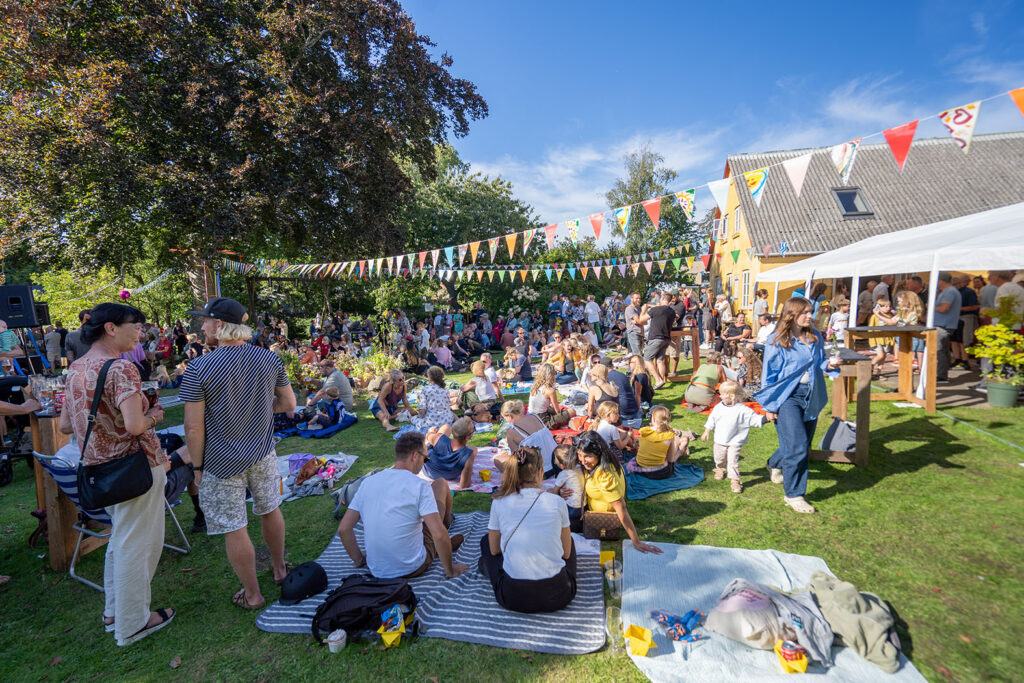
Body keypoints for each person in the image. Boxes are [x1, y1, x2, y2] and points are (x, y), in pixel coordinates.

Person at [58, 303, 173, 647]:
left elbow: (65, 424)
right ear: (111, 328)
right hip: (134, 467)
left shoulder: (77, 368)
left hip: (100, 469)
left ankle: (114, 612)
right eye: (135, 326)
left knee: (121, 540)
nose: (140, 333)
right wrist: (155, 415)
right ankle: (132, 623)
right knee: (137, 545)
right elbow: (136, 425)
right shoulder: (121, 369)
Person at [180, 297, 296, 610]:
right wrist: (258, 410)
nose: (201, 326)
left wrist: (198, 467)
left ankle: (253, 595)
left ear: (219, 325)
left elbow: (193, 428)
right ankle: (280, 569)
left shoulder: (199, 367)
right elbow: (288, 404)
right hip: (262, 451)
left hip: (220, 460)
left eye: (204, 321)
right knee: (270, 509)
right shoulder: (268, 359)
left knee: (235, 526)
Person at [337, 432, 468, 580]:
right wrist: (450, 570)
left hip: (377, 569)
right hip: (412, 567)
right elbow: (438, 533)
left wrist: (359, 559)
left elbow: (344, 529)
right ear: (414, 456)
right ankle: (445, 531)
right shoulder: (419, 485)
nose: (425, 462)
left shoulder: (368, 482)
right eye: (425, 458)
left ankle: (443, 538)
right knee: (441, 484)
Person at [756, 297, 840, 514]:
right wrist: (770, 405)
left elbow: (819, 361)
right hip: (787, 396)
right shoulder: (778, 340)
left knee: (799, 444)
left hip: (812, 395)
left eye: (810, 312)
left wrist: (828, 364)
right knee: (798, 445)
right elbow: (770, 375)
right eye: (805, 312)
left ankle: (774, 463)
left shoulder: (815, 336)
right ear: (791, 314)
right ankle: (794, 495)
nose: (809, 316)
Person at [479, 446, 576, 613]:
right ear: (540, 472)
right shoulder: (557, 502)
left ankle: (499, 568)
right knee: (570, 541)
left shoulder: (499, 502)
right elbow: (566, 554)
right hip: (559, 594)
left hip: (513, 597)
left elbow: (494, 550)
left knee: (486, 543)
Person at [575, 431, 662, 554]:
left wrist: (636, 541)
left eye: (588, 456)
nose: (583, 461)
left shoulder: (605, 474)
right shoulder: (607, 460)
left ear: (598, 453)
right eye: (580, 455)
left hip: (601, 519)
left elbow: (621, 508)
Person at [702, 380, 768, 493]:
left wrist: (766, 418)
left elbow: (754, 419)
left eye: (722, 393)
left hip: (735, 441)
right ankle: (719, 469)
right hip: (720, 439)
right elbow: (711, 419)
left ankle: (735, 480)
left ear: (731, 396)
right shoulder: (718, 407)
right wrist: (707, 430)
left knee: (733, 461)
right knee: (719, 457)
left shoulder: (743, 410)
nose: (720, 395)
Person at [626, 404, 691, 479]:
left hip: (640, 469)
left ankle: (681, 447)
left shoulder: (644, 431)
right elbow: (670, 459)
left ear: (653, 419)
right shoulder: (669, 436)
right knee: (672, 451)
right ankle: (681, 450)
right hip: (659, 473)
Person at [500, 399, 558, 476]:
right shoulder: (534, 416)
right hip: (557, 464)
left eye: (504, 418)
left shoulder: (512, 430)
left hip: (537, 473)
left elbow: (515, 458)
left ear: (509, 416)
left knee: (498, 459)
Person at [634, 291, 675, 390]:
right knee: (660, 361)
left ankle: (658, 380)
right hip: (666, 339)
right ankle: (661, 384)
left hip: (655, 338)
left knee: (647, 359)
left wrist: (643, 310)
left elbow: (641, 320)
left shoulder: (656, 310)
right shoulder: (672, 311)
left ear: (662, 299)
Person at [423, 417, 478, 489]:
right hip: (450, 475)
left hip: (429, 471)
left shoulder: (440, 439)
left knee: (427, 445)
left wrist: (431, 431)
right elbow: (464, 485)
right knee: (474, 449)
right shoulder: (468, 454)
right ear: (468, 436)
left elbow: (428, 436)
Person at [932, 273, 962, 383]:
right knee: (943, 350)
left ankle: (941, 376)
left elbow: (944, 308)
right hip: (943, 324)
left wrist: (931, 306)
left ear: (941, 281)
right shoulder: (948, 291)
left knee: (939, 350)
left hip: (943, 325)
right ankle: (942, 373)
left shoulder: (950, 291)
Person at [528, 364, 574, 429]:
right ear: (551, 375)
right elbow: (557, 411)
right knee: (571, 411)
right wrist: (563, 415)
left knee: (553, 409)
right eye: (555, 373)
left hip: (531, 417)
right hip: (543, 422)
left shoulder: (535, 386)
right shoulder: (550, 390)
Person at [412, 365, 456, 432]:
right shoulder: (445, 390)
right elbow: (448, 406)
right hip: (446, 421)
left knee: (412, 418)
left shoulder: (425, 390)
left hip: (431, 422)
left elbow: (422, 410)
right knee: (451, 414)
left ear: (429, 378)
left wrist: (419, 417)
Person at [549, 444, 583, 529]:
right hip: (582, 507)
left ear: (561, 465)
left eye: (555, 458)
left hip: (571, 508)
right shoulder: (580, 469)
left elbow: (555, 493)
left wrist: (548, 492)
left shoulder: (563, 474)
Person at [623, 292, 644, 356]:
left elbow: (642, 320)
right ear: (631, 299)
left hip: (640, 333)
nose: (639, 300)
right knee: (637, 354)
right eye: (636, 298)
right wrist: (641, 321)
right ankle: (637, 366)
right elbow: (639, 321)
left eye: (639, 298)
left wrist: (641, 321)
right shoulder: (630, 308)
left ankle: (638, 365)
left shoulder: (639, 308)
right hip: (633, 333)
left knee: (639, 354)